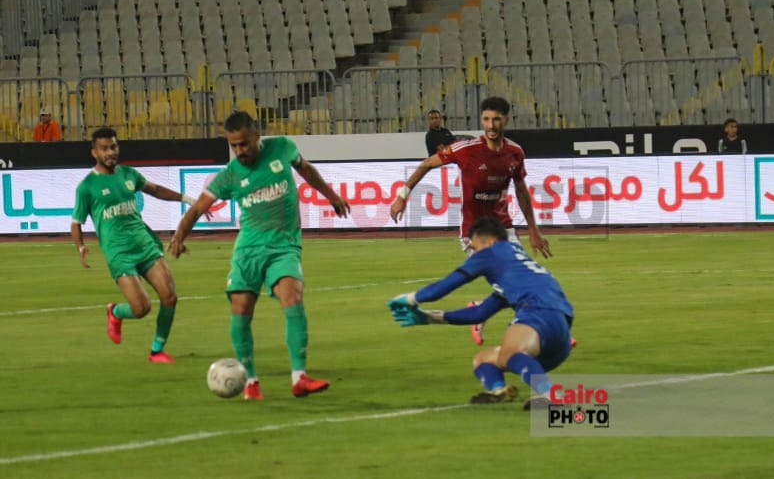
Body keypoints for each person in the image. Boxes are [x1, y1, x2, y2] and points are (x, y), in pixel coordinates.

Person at [168, 111, 351, 401]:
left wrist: (331, 196)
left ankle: (299, 377)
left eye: (244, 143)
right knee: (241, 309)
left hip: (284, 246)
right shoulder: (229, 175)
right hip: (248, 249)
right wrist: (179, 236)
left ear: (256, 136)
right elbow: (198, 208)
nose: (239, 151)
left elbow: (306, 171)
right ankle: (251, 382)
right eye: (234, 146)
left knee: (293, 297)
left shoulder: (282, 147)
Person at [391, 96, 552, 346]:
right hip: (474, 232)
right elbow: (427, 164)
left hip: (504, 227)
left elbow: (521, 190)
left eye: (496, 119)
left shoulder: (515, 152)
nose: (491, 125)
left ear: (506, 121)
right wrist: (402, 196)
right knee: (512, 283)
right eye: (486, 119)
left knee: (521, 279)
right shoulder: (465, 149)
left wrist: (533, 230)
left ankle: (523, 325)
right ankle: (536, 328)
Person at [387, 216, 574, 410]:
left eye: (475, 248)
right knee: (483, 359)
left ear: (490, 241)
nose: (474, 254)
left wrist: (410, 298)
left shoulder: (491, 253)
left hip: (537, 314)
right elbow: (479, 313)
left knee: (510, 353)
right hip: (560, 336)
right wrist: (430, 317)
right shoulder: (515, 265)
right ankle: (498, 391)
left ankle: (549, 395)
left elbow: (444, 287)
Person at [71, 127, 205, 363]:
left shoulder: (128, 174)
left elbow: (155, 190)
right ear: (94, 153)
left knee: (170, 297)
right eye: (104, 149)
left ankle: (157, 351)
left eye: (113, 147)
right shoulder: (87, 187)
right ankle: (115, 311)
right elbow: (76, 222)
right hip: (119, 254)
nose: (110, 152)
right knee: (141, 309)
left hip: (145, 245)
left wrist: (186, 199)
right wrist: (80, 246)